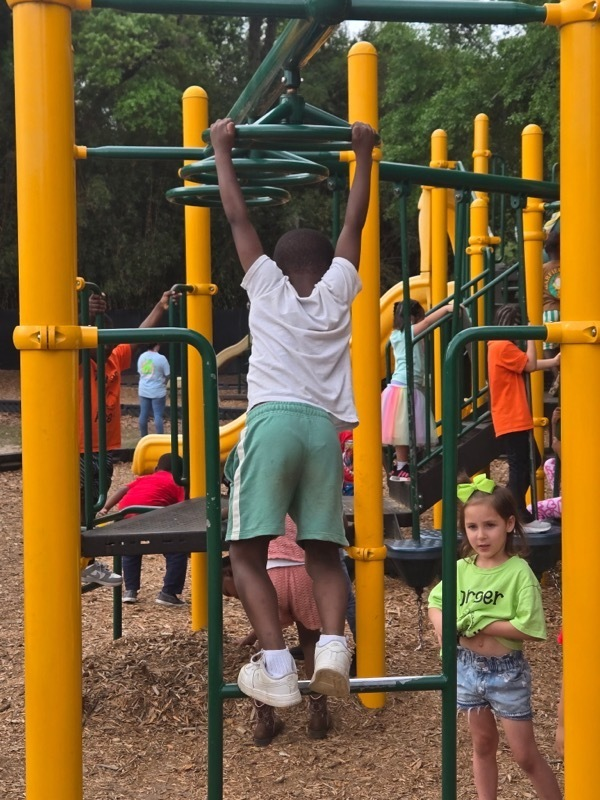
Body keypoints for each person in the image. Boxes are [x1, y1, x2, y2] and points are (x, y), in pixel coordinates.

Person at [211, 116, 377, 708]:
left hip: (275, 420)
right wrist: (363, 155)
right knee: (323, 550)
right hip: (323, 432)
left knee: (245, 551)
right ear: (331, 266)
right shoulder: (339, 291)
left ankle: (278, 665)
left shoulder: (267, 287)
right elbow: (354, 221)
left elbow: (238, 218)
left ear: (278, 268)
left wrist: (220, 150)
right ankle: (331, 648)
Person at [428, 477, 562, 800]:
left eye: (490, 525)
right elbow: (436, 603)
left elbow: (530, 628)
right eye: (472, 527)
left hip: (506, 673)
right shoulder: (462, 568)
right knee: (483, 744)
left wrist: (484, 624)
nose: (481, 535)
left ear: (509, 524)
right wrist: (445, 632)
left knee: (524, 755)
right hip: (467, 668)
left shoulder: (518, 573)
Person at [80, 289, 178, 587]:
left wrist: (160, 306)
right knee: (77, 503)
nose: (108, 345)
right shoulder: (80, 361)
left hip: (104, 446)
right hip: (79, 446)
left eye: (108, 339)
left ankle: (85, 562)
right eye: (100, 339)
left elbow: (137, 335)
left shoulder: (113, 358)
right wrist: (87, 313)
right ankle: (80, 562)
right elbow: (72, 337)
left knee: (94, 504)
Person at [223, 517, 331, 745]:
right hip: (304, 569)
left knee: (268, 641)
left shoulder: (261, 499)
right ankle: (318, 716)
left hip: (269, 571)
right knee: (311, 642)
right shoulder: (302, 497)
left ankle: (265, 722)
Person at [487, 303, 560, 534]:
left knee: (531, 461)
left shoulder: (498, 346)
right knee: (522, 466)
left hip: (513, 416)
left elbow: (528, 364)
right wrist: (531, 337)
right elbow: (529, 364)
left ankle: (515, 511)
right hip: (512, 416)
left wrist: (554, 361)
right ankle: (516, 514)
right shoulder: (503, 346)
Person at [96, 453, 187, 606]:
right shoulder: (177, 482)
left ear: (156, 468)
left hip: (128, 515)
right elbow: (183, 506)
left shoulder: (144, 478)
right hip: (154, 518)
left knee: (131, 550)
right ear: (181, 473)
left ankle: (130, 591)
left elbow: (122, 490)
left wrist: (105, 508)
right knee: (177, 550)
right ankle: (168, 593)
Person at [381, 298, 452, 482]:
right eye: (420, 317)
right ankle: (402, 467)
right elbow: (428, 322)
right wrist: (446, 309)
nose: (423, 320)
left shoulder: (397, 334)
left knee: (401, 431)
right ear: (412, 318)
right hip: (406, 386)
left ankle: (400, 467)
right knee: (404, 431)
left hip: (401, 385)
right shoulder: (408, 333)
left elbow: (425, 323)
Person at [542, 227, 560, 396]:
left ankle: (556, 376)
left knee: (548, 346)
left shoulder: (544, 268)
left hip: (549, 310)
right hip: (566, 310)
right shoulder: (568, 266)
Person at [137, 343, 170, 437]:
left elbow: (140, 372)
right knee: (158, 415)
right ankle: (160, 437)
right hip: (158, 390)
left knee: (143, 415)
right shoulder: (161, 358)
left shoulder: (142, 357)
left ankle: (143, 437)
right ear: (157, 345)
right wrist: (164, 383)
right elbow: (167, 374)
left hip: (144, 390)